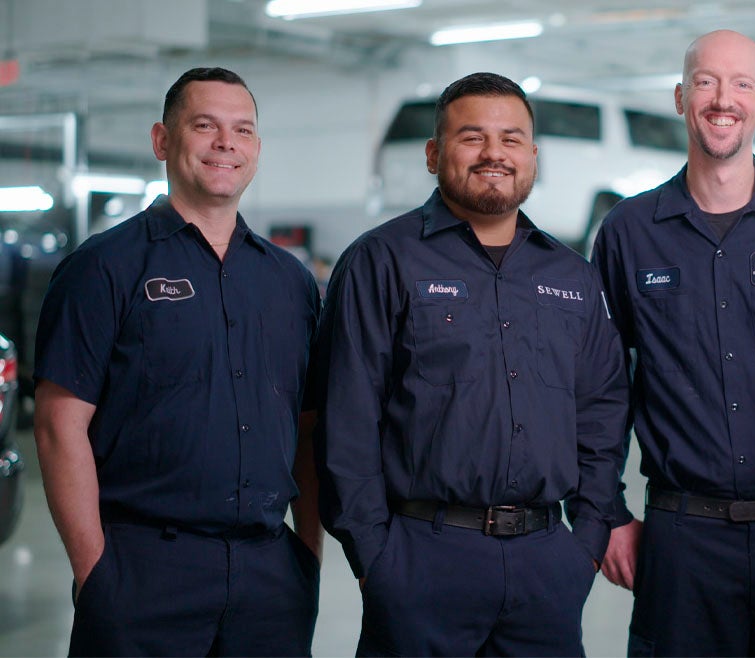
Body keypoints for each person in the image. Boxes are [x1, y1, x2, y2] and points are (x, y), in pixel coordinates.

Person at [312, 72, 628, 657]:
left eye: (511, 139)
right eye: (471, 137)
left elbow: (601, 414)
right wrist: (374, 558)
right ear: (434, 154)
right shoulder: (380, 261)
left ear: (533, 157)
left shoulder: (573, 278)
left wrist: (584, 541)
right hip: (420, 559)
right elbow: (346, 418)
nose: (494, 154)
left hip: (545, 565)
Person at [34, 67, 322, 657]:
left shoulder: (290, 281)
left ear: (256, 150)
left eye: (242, 130)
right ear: (163, 141)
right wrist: (96, 575)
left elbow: (309, 427)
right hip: (143, 571)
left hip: (269, 574)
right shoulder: (103, 269)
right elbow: (58, 426)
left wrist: (307, 557)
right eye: (204, 126)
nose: (225, 143)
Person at [591, 30, 755, 656]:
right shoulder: (630, 231)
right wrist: (605, 508)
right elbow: (599, 385)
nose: (723, 99)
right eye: (707, 82)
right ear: (682, 97)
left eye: (742, 84)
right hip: (681, 540)